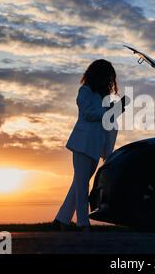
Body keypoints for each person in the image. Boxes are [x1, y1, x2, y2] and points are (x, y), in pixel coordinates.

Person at [54, 59, 128, 232]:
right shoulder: (85, 91)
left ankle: (60, 220)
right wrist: (111, 110)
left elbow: (107, 120)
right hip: (82, 145)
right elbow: (89, 114)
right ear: (98, 75)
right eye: (107, 77)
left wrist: (117, 109)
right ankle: (83, 224)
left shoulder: (103, 97)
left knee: (78, 185)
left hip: (95, 146)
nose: (109, 81)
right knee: (81, 186)